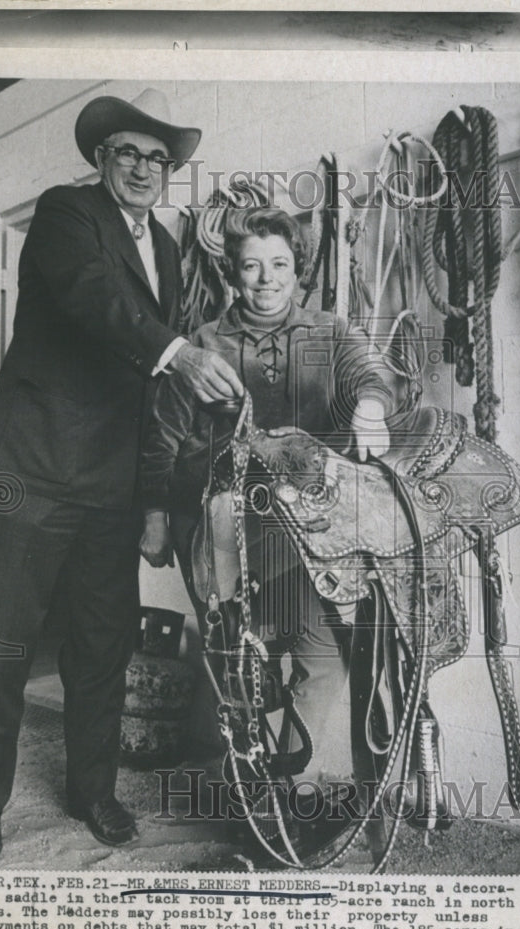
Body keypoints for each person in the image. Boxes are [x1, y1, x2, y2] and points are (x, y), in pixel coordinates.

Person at [0, 88, 244, 863]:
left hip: (112, 482)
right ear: (99, 160)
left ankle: (93, 792)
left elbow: (152, 385)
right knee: (0, 645)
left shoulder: (175, 249)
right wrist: (181, 353)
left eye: (158, 157)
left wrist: (153, 498)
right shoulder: (63, 215)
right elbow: (95, 303)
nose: (144, 167)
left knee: (101, 648)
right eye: (128, 153)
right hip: (35, 466)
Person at [139, 206, 402, 795]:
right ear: (232, 272)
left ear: (298, 269)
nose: (267, 278)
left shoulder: (329, 331)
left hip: (307, 527)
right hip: (223, 522)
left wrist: (370, 404)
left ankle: (283, 785)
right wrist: (155, 516)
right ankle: (229, 775)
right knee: (234, 655)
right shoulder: (204, 344)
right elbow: (160, 439)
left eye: (279, 264)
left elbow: (369, 370)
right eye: (252, 266)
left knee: (323, 654)